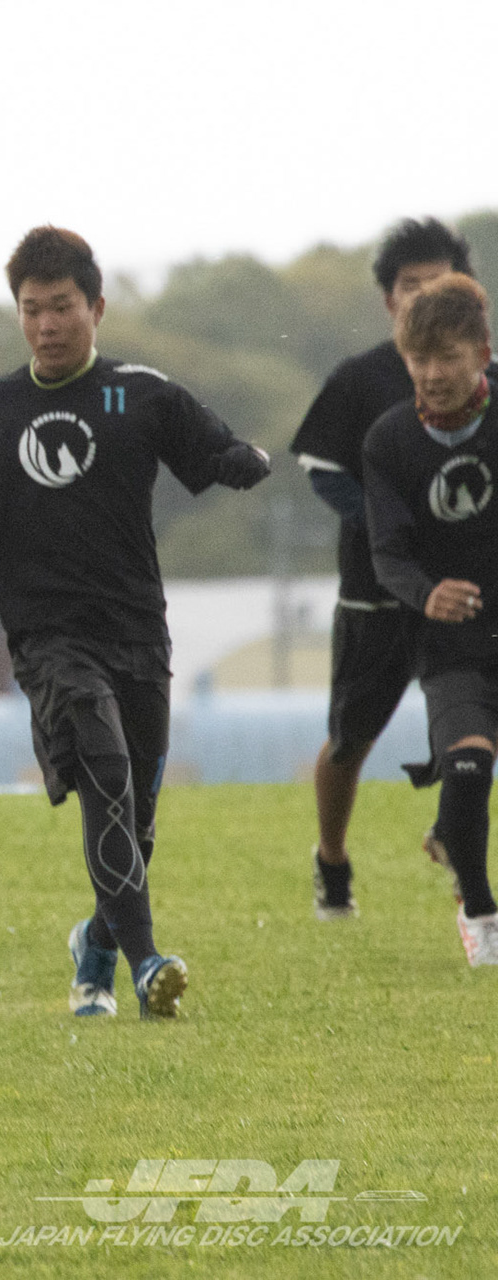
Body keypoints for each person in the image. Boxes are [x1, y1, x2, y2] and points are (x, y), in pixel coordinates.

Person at [0, 226, 271, 1020]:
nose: (46, 325)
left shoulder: (144, 394)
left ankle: (97, 948)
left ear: (96, 307)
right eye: (31, 309)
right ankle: (148, 964)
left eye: (61, 307)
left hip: (137, 630)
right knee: (105, 771)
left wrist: (242, 463)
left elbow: (217, 452)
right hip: (47, 636)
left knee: (136, 821)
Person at [292, 218, 475, 920]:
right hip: (377, 594)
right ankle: (331, 861)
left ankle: (454, 832)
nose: (423, 296)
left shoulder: (484, 377)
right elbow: (322, 469)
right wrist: (389, 528)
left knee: (475, 725)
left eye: (438, 282)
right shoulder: (360, 378)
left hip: (465, 593)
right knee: (350, 738)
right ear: (387, 300)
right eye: (409, 286)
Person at [362, 272, 498, 965]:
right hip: (450, 641)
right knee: (469, 765)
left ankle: (450, 831)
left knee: (462, 798)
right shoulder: (389, 441)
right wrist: (426, 593)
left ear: (483, 352)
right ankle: (481, 915)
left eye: (448, 357)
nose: (434, 374)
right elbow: (387, 554)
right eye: (420, 360)